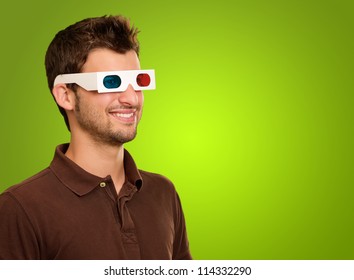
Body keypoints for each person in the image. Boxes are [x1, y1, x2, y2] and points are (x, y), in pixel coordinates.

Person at [0, 15, 192, 260]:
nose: (132, 99)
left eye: (139, 81)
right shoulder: (20, 209)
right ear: (65, 95)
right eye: (111, 82)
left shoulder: (163, 194)